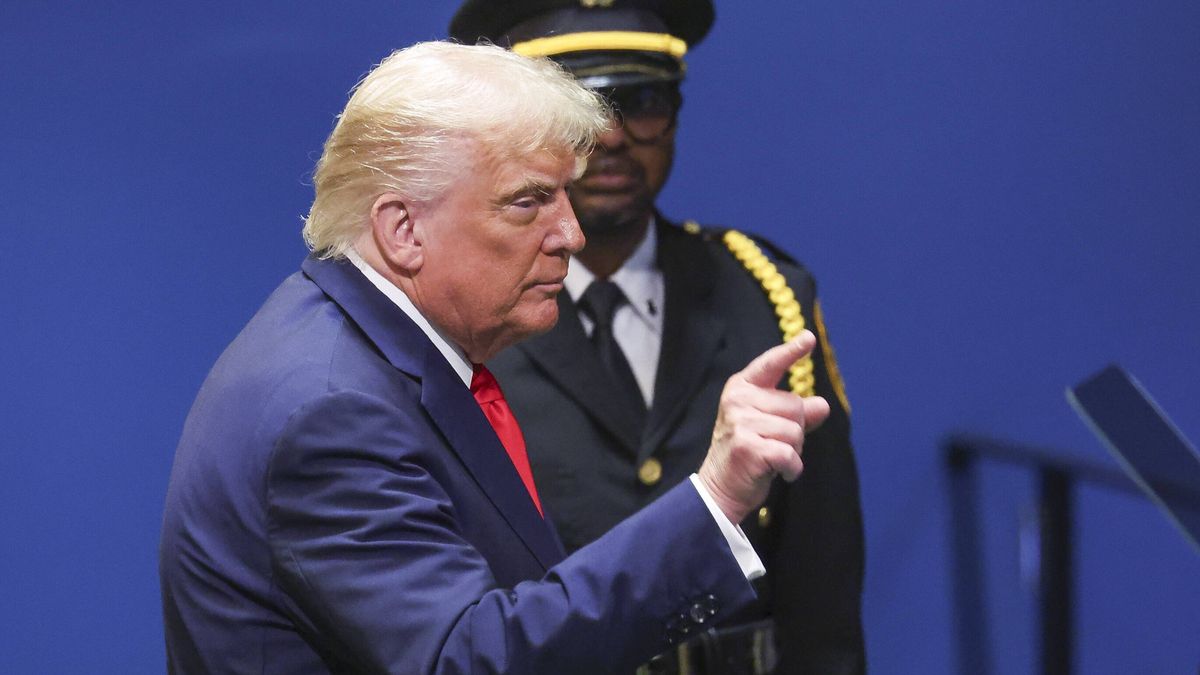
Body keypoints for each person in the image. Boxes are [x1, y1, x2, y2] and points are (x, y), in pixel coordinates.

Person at [159, 41, 833, 674]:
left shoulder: (373, 352)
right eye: (529, 201)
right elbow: (469, 656)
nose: (569, 233)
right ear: (403, 229)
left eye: (565, 196)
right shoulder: (332, 407)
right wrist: (712, 500)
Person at [449, 2, 866, 673]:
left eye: (641, 101)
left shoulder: (768, 294)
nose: (613, 137)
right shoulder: (467, 315)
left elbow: (823, 592)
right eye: (581, 109)